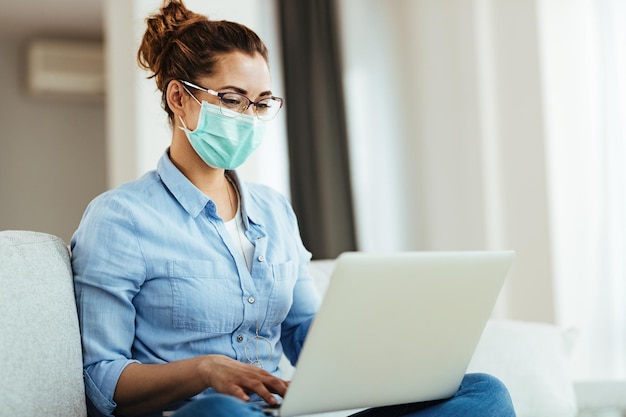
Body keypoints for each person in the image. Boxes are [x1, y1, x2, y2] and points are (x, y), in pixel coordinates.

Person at [71, 1, 516, 417]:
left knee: (483, 392)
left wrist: (391, 348)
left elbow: (306, 334)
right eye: (231, 99)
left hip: (283, 411)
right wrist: (205, 371)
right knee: (219, 411)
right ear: (178, 98)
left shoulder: (274, 210)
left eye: (261, 103)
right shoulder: (119, 218)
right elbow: (101, 378)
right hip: (206, 412)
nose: (248, 116)